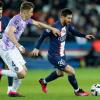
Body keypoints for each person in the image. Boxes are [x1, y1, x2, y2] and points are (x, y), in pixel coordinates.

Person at [0, 1, 60, 97]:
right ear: (24, 11)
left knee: (24, 70)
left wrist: (52, 28)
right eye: (31, 12)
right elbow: (9, 33)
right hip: (6, 48)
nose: (32, 14)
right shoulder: (16, 20)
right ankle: (1, 72)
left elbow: (38, 24)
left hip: (13, 48)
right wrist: (19, 45)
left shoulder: (25, 19)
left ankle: (12, 92)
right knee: (21, 74)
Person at [31, 8, 95, 96]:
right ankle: (77, 91)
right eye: (68, 18)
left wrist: (85, 36)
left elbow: (73, 32)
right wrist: (36, 48)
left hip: (62, 54)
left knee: (59, 74)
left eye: (71, 18)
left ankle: (43, 81)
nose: (70, 20)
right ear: (62, 17)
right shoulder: (54, 27)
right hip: (54, 55)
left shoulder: (67, 25)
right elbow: (42, 36)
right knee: (71, 71)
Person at [0, 1, 14, 96]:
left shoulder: (6, 20)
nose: (0, 11)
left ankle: (10, 90)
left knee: (10, 67)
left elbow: (12, 33)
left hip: (5, 48)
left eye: (1, 9)